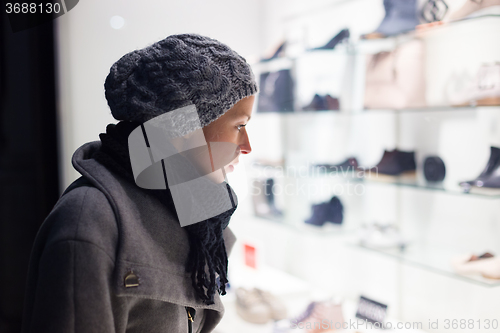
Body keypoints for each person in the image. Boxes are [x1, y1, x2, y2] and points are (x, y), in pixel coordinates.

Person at [20, 33, 258, 333]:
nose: (247, 145)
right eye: (239, 126)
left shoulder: (194, 215)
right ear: (184, 128)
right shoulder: (89, 222)